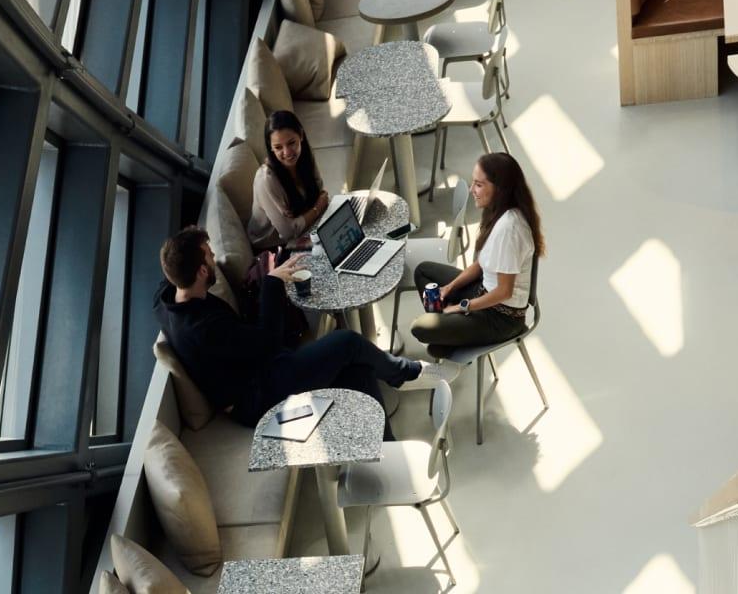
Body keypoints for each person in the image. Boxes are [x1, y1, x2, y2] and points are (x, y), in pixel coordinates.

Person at [154, 225, 423, 429]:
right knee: (348, 342)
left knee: (358, 370)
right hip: (257, 396)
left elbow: (175, 264)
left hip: (260, 371)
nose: (214, 258)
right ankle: (403, 372)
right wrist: (272, 282)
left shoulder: (166, 299)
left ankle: (386, 448)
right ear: (202, 271)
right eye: (210, 256)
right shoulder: (204, 329)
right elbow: (268, 342)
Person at [408, 152, 544, 359]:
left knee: (419, 327)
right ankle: (448, 336)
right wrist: (449, 288)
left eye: (479, 185)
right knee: (424, 272)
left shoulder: (509, 229)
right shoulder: (497, 211)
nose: (472, 189)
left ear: (500, 189)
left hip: (501, 318)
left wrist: (461, 307)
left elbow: (504, 292)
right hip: (482, 292)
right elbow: (481, 264)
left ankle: (447, 334)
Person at [251, 110, 329, 251]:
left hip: (305, 229)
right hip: (274, 247)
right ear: (271, 147)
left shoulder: (305, 155)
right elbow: (289, 232)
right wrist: (317, 208)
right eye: (278, 147)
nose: (287, 153)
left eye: (291, 143)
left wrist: (304, 214)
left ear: (301, 135)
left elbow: (319, 190)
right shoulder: (266, 179)